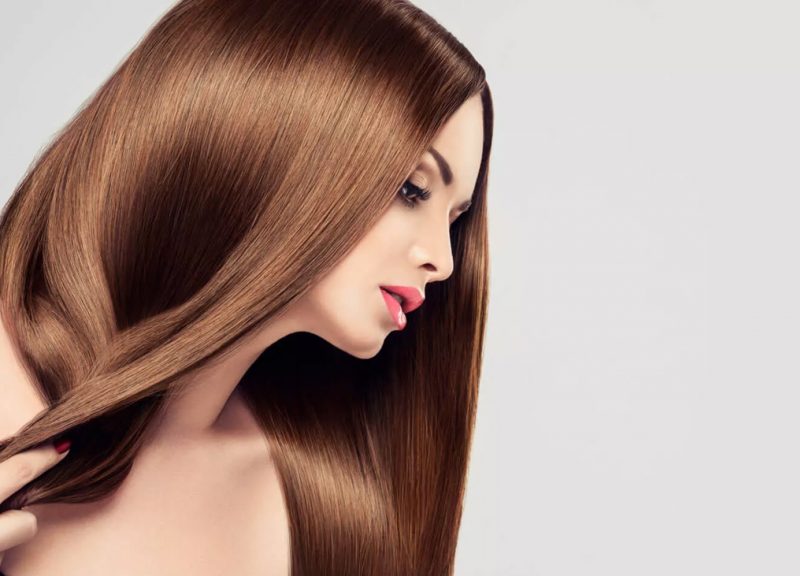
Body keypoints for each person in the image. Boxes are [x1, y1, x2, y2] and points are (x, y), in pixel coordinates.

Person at [0, 0, 494, 574]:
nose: (443, 261)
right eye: (412, 189)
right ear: (273, 140)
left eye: (454, 218)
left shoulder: (315, 492)